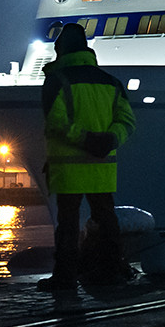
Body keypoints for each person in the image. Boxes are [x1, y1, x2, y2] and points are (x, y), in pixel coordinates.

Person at [41, 23, 136, 291]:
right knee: (107, 221)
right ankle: (112, 271)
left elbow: (55, 123)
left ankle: (65, 278)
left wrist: (84, 139)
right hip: (102, 167)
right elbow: (127, 121)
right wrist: (109, 140)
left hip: (68, 169)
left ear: (61, 49)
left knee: (68, 225)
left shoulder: (56, 81)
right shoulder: (111, 82)